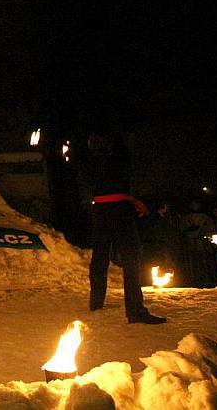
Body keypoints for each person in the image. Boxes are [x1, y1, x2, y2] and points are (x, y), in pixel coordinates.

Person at [86, 130, 166, 324]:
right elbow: (125, 177)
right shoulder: (119, 152)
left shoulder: (89, 159)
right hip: (119, 210)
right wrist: (133, 199)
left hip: (100, 210)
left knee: (100, 257)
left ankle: (96, 302)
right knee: (131, 259)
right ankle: (135, 311)